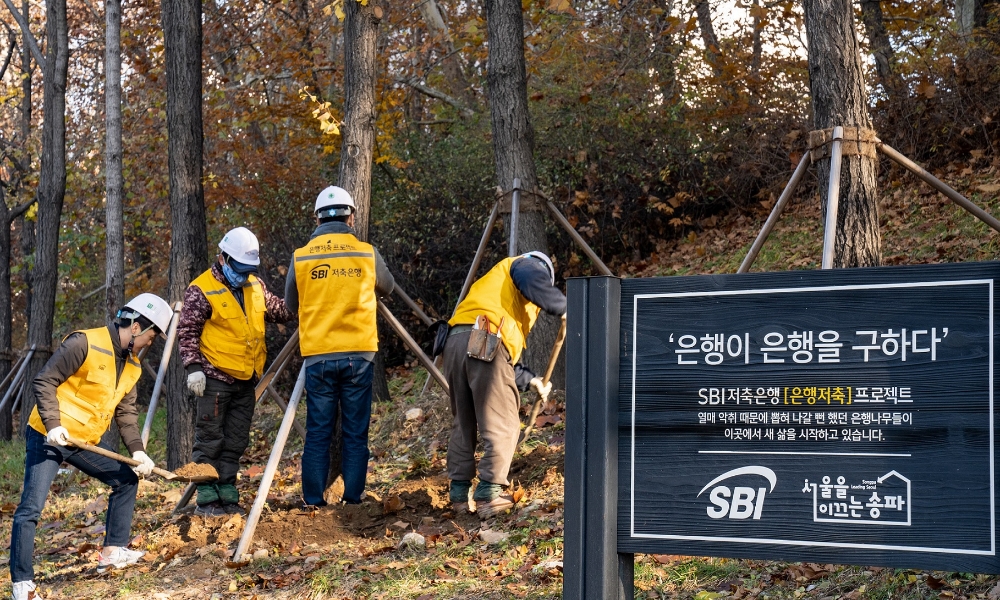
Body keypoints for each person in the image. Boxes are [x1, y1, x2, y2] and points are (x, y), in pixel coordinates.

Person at [9, 293, 171, 600]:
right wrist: (54, 425)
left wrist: (138, 451)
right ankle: (22, 584)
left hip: (85, 441)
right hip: (49, 434)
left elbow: (125, 412)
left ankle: (112, 551)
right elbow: (44, 381)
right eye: (151, 336)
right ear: (135, 327)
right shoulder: (84, 343)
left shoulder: (132, 366)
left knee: (126, 479)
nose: (150, 343)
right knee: (31, 508)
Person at [285, 185, 394, 507]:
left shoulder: (301, 256)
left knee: (318, 432)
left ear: (316, 218)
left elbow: (292, 304)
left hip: (318, 354)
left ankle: (313, 500)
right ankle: (353, 498)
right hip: (359, 353)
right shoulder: (365, 251)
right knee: (355, 432)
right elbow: (387, 286)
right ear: (352, 217)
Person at [178, 227, 293, 517]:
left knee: (236, 439)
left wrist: (302, 303)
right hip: (214, 376)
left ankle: (227, 491)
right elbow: (187, 331)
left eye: (248, 270)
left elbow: (277, 309)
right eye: (239, 270)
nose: (243, 276)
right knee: (209, 437)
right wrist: (193, 368)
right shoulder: (201, 289)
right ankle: (206, 495)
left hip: (247, 376)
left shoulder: (255, 285)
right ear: (224, 259)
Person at [444, 252, 566, 518]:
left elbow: (499, 361)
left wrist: (530, 380)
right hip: (483, 337)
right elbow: (530, 277)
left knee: (463, 421)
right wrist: (565, 306)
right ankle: (489, 493)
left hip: (455, 341)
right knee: (503, 421)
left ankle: (458, 494)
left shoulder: (495, 288)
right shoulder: (525, 264)